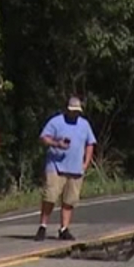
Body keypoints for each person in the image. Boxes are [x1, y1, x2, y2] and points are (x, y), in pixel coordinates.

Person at [36, 97, 96, 241]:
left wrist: (86, 162)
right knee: (50, 196)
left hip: (75, 168)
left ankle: (64, 228)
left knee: (70, 200)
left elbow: (90, 143)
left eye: (77, 112)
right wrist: (57, 144)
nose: (75, 114)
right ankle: (43, 226)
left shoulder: (84, 124)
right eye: (72, 111)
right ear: (67, 110)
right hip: (55, 166)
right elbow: (43, 138)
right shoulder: (56, 122)